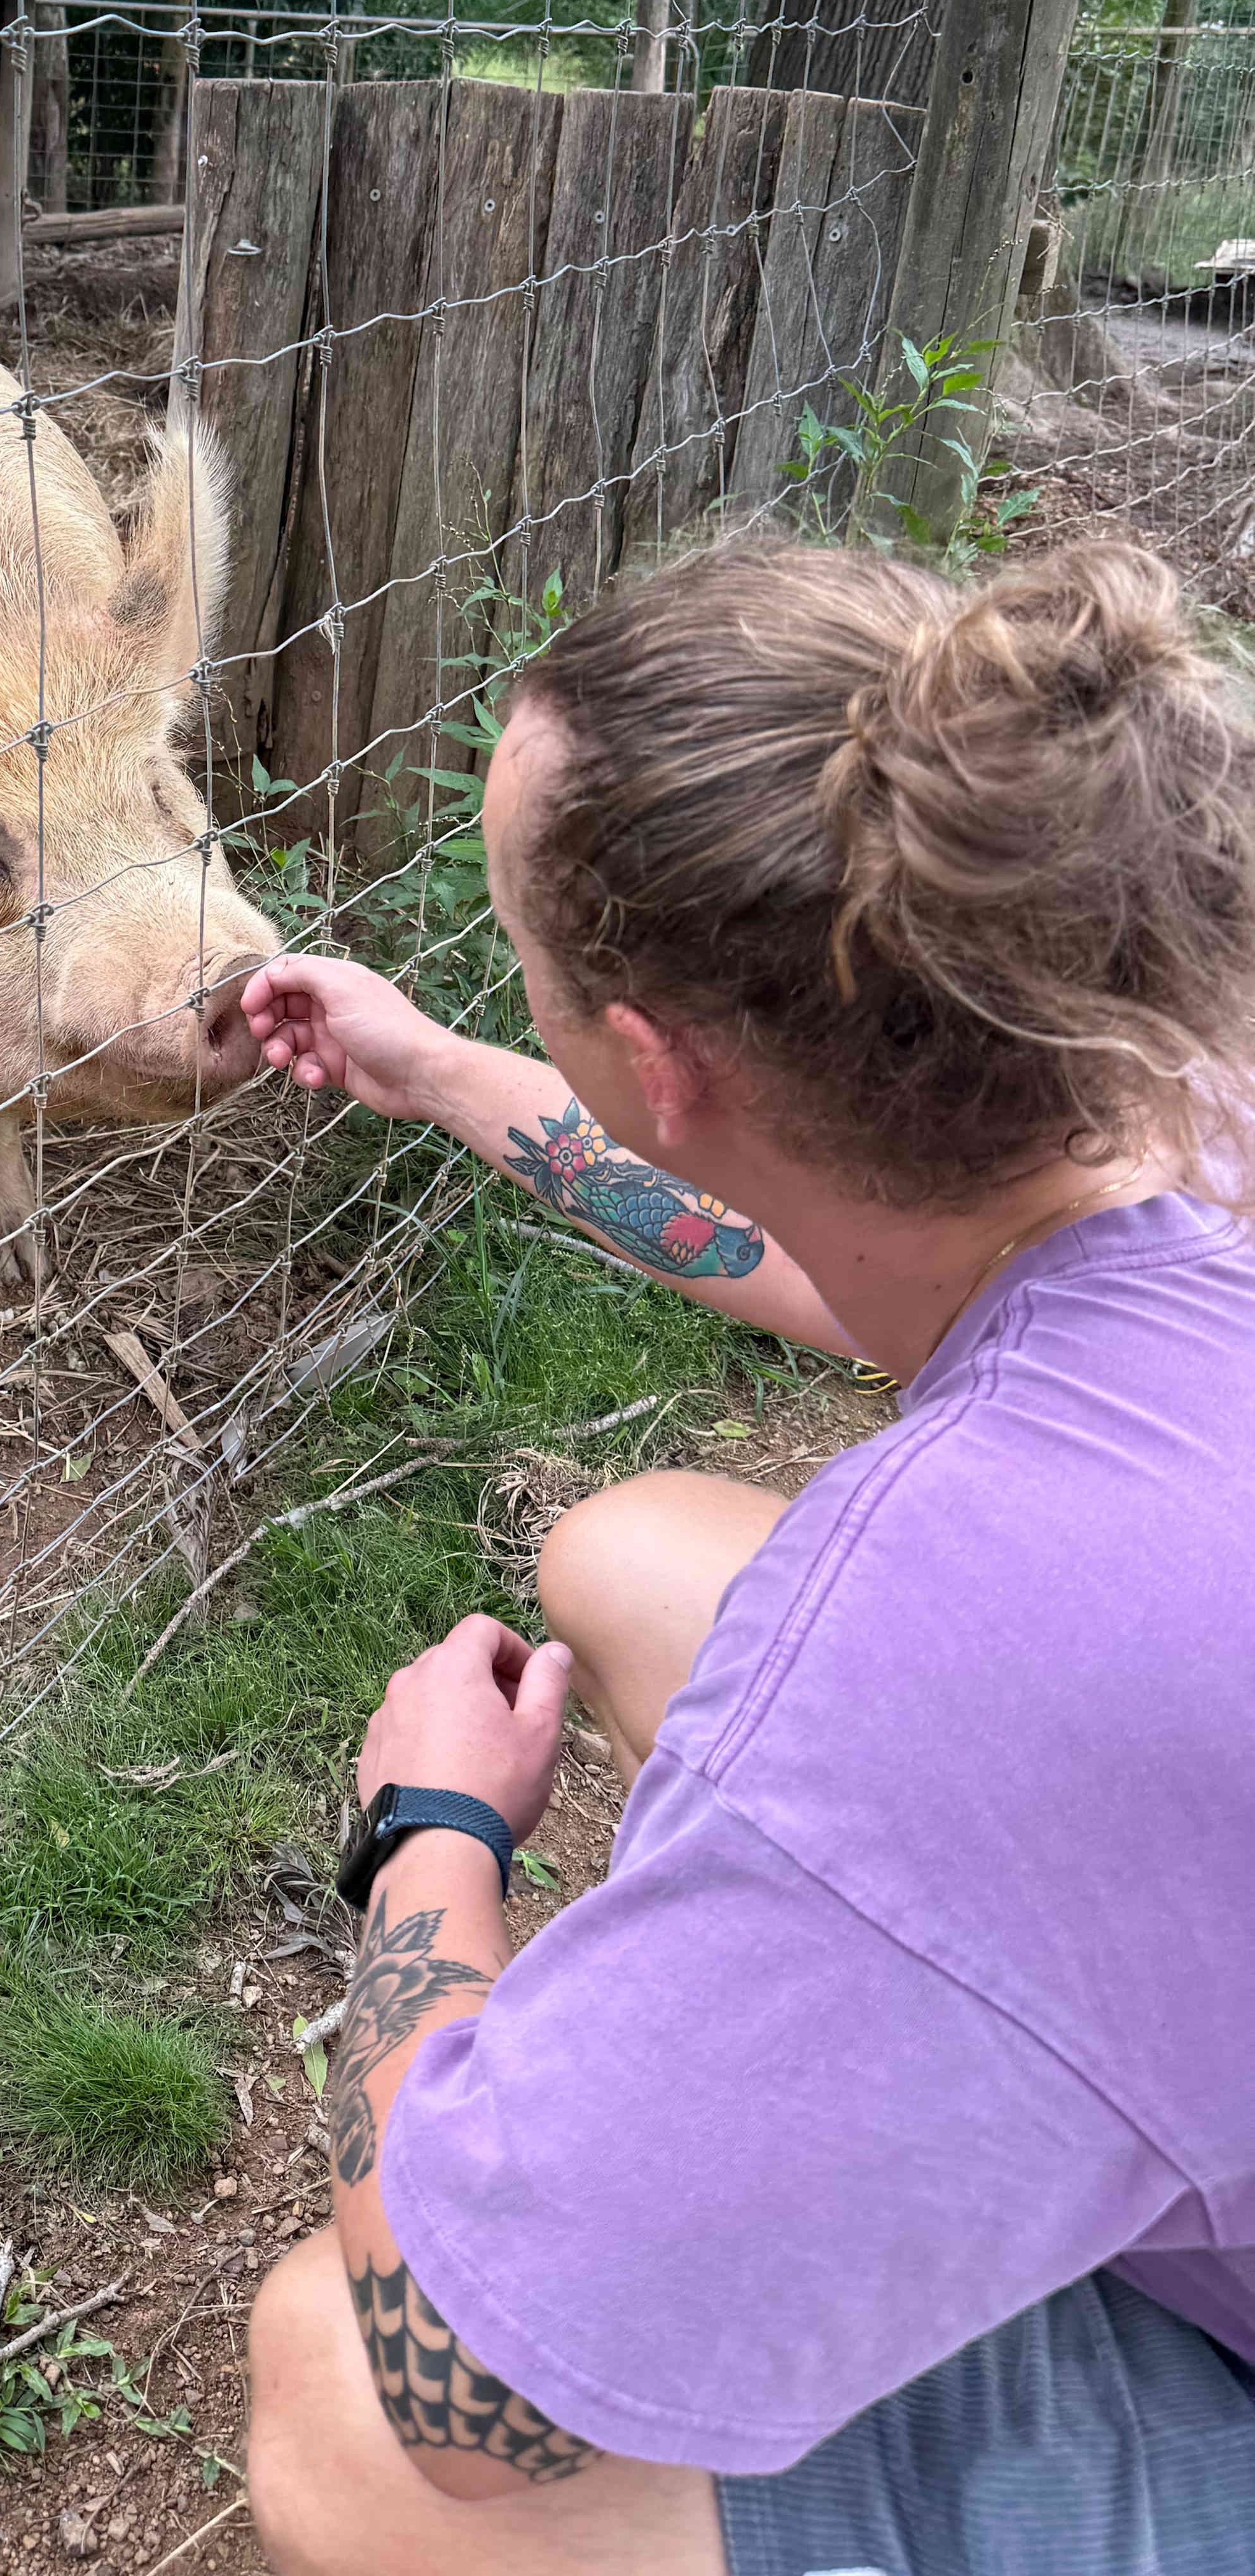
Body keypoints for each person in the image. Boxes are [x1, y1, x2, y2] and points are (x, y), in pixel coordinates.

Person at [235, 537, 1255, 2576]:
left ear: (673, 1063)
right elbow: (783, 1230)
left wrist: (427, 1837)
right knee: (632, 1555)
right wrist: (441, 1067)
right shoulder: (1178, 1101)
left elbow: (472, 2392)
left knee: (341, 2394)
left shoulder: (938, 1659)